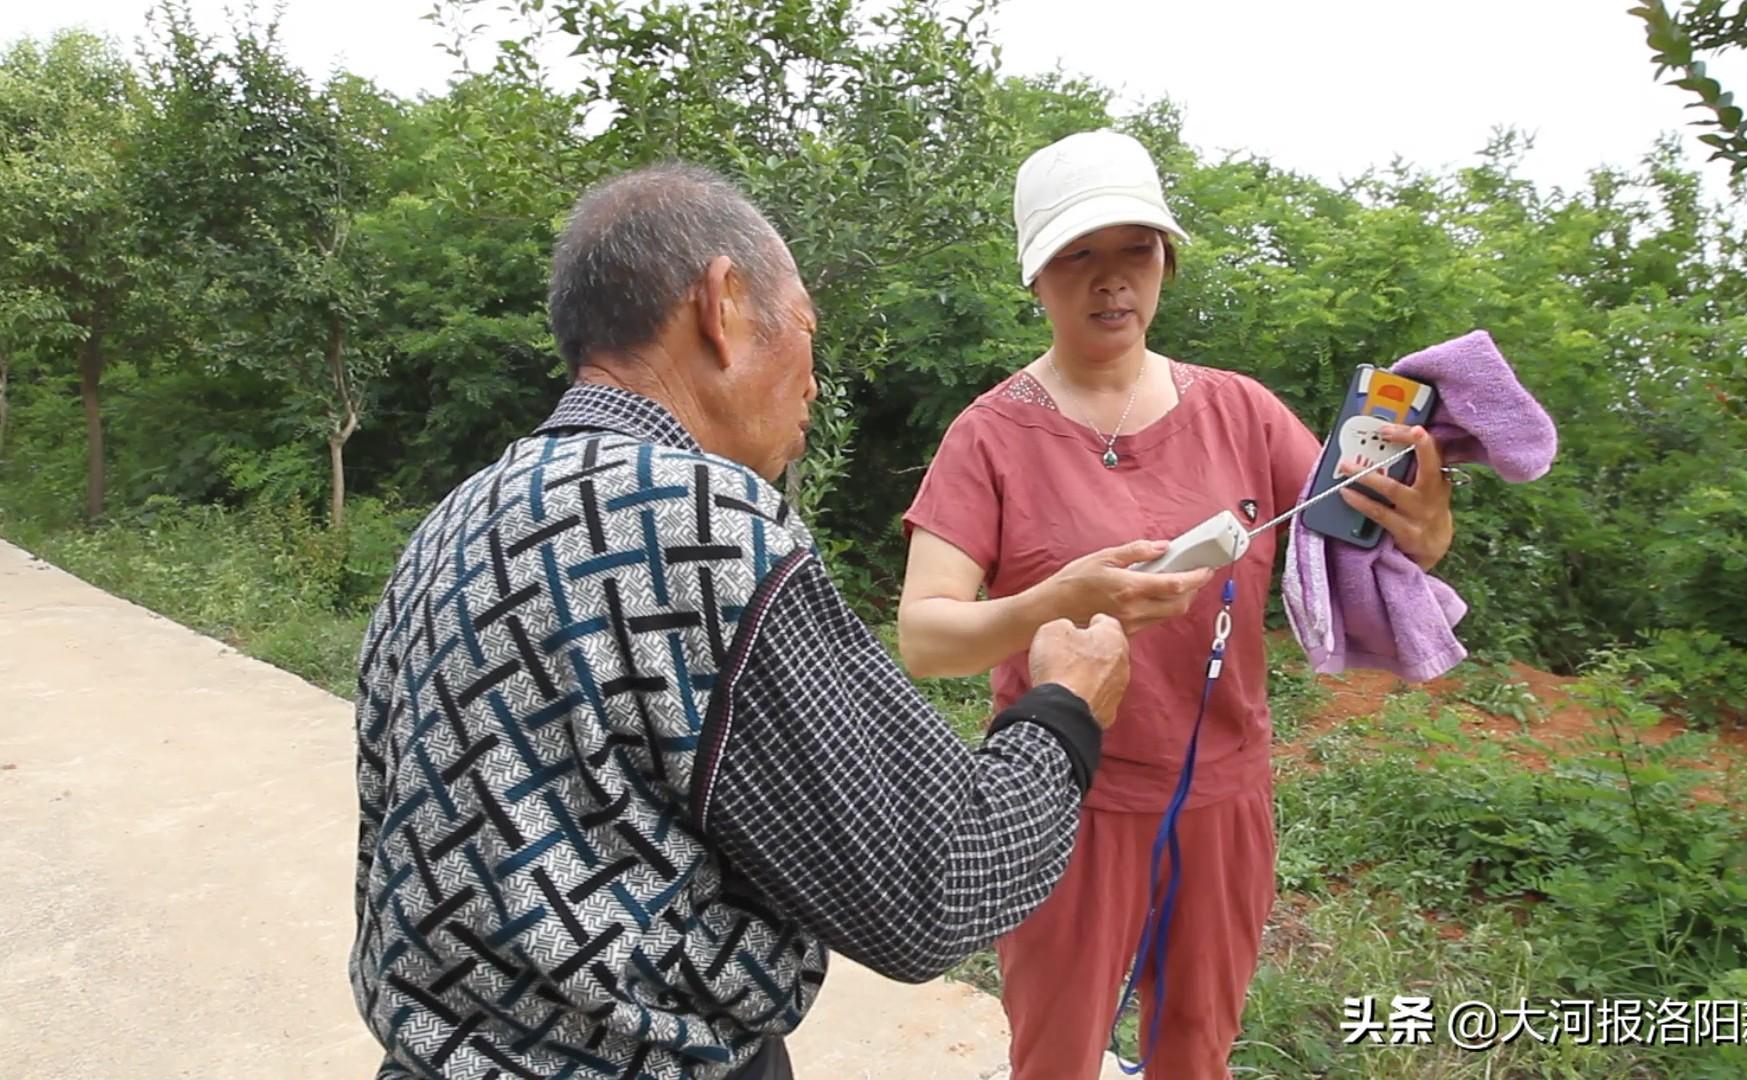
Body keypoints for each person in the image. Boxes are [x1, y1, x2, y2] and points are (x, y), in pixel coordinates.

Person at [349, 162, 1132, 1080]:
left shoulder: (453, 521)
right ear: (722, 306)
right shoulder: (704, 530)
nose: (813, 384)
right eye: (807, 332)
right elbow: (939, 882)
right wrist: (1066, 706)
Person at [897, 130, 1457, 1079]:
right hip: (1059, 801)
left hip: (1224, 799)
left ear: (1166, 263)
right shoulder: (990, 436)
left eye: (1137, 250)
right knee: (1057, 1056)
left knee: (1196, 1053)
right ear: (1035, 274)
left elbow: (1364, 545)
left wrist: (1427, 529)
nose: (1112, 280)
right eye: (1078, 254)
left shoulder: (1240, 411)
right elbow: (924, 636)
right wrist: (1053, 602)